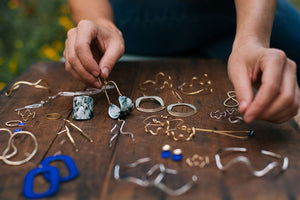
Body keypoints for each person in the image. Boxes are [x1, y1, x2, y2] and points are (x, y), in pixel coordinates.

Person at [64, 0, 300, 124]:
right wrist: (99, 23)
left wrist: (251, 41)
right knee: (285, 28)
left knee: (231, 42)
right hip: (129, 13)